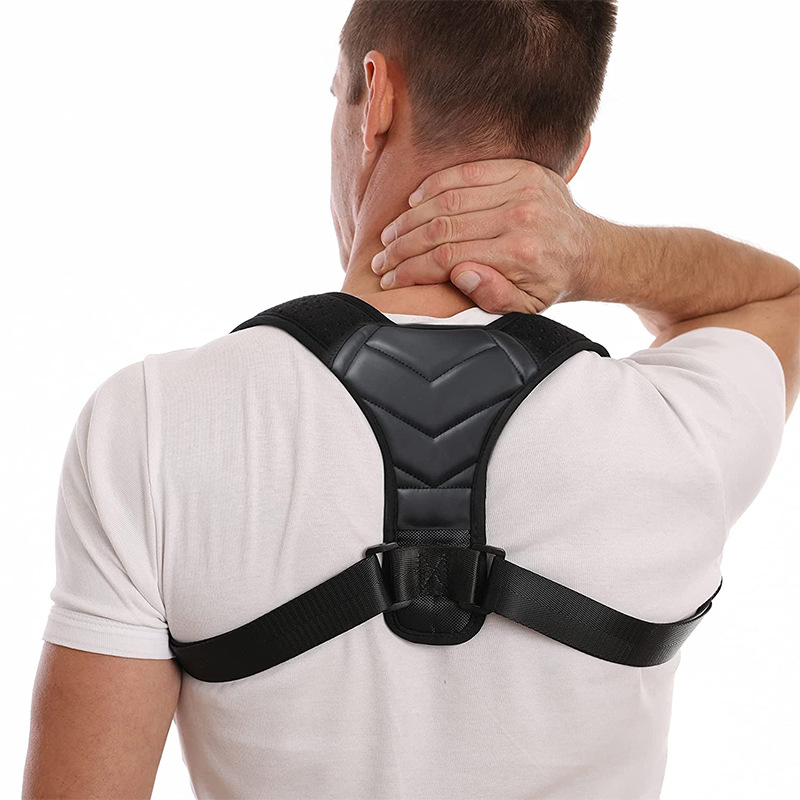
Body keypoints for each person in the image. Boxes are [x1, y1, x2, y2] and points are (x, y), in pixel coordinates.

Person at [23, 1, 798, 798]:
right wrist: (596, 251)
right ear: (572, 162)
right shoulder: (678, 431)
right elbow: (782, 296)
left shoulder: (155, 423)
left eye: (339, 96)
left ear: (377, 97)